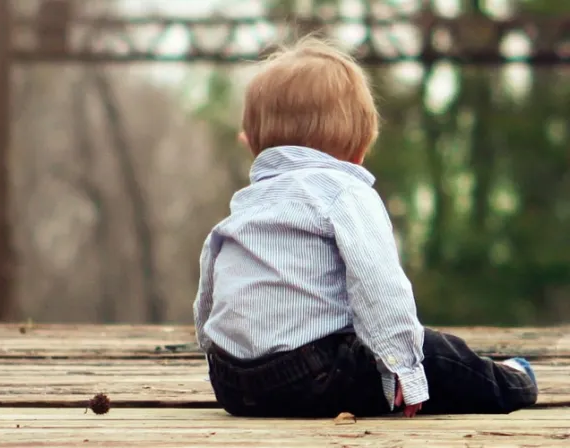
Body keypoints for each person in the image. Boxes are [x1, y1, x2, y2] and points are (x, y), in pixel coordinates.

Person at [192, 36, 538, 418]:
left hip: (232, 384)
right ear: (358, 151)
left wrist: (215, 347)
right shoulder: (344, 191)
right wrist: (404, 367)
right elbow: (378, 284)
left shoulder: (247, 202)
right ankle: (512, 381)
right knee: (434, 353)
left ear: (254, 145)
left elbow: (210, 277)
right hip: (313, 376)